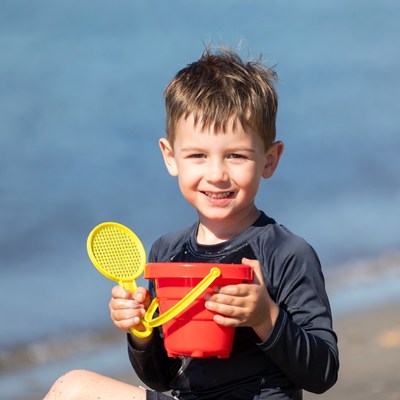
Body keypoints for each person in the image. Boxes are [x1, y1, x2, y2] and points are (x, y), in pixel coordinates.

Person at [44, 47, 339, 400]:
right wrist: (141, 332)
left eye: (236, 156)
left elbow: (323, 373)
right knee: (72, 387)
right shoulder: (167, 253)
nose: (216, 174)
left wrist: (266, 317)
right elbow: (163, 378)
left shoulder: (286, 253)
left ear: (270, 160)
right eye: (197, 155)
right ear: (171, 157)